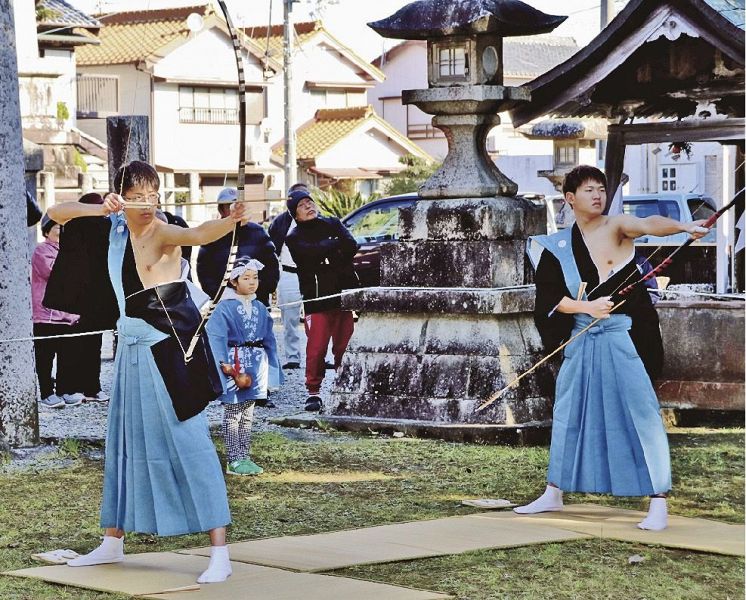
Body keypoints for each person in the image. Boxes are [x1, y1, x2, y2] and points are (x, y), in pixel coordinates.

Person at [48, 160, 246, 584]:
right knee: (122, 443)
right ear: (121, 196)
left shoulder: (162, 230)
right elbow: (57, 212)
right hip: (131, 353)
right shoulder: (114, 227)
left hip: (168, 351)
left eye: (153, 196)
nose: (146, 204)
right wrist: (99, 208)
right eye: (137, 196)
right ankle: (112, 541)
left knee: (189, 442)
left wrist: (229, 221)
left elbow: (197, 234)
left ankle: (220, 551)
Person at [516, 165, 710, 531]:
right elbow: (550, 300)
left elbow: (650, 224)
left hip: (625, 337)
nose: (597, 195)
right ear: (570, 198)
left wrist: (685, 227)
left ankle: (658, 502)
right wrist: (587, 307)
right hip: (581, 336)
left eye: (601, 189)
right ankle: (554, 491)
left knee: (642, 413)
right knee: (569, 411)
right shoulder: (556, 245)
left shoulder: (617, 226)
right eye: (588, 190)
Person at [285, 189, 360, 412]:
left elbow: (351, 245)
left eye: (310, 202)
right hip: (316, 298)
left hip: (341, 294)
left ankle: (344, 385)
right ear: (295, 214)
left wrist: (328, 249)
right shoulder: (294, 237)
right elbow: (308, 256)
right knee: (316, 348)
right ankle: (313, 391)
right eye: (302, 205)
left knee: (343, 345)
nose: (308, 206)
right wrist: (331, 245)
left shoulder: (333, 222)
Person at [207, 257, 282, 476]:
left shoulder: (260, 306)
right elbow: (215, 336)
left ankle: (245, 456)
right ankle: (233, 459)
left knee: (248, 412)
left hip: (257, 361)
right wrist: (224, 364)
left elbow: (269, 338)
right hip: (235, 361)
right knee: (232, 412)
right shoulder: (223, 308)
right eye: (246, 278)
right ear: (233, 281)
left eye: (255, 277)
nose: (252, 282)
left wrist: (273, 364)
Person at [45, 192, 117, 403]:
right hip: (75, 297)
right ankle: (68, 388)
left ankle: (91, 387)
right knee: (72, 346)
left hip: (97, 295)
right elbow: (55, 212)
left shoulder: (106, 228)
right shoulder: (74, 225)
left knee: (92, 345)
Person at [197, 187, 279, 306]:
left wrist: (260, 288)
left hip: (257, 298)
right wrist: (220, 294)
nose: (234, 209)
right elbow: (204, 269)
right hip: (225, 300)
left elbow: (271, 265)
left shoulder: (258, 231)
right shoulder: (213, 233)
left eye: (237, 205)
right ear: (221, 210)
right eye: (228, 206)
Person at [32, 215, 82, 408]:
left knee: (68, 354)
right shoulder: (41, 250)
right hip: (46, 314)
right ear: (46, 232)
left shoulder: (71, 251)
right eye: (57, 229)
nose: (62, 233)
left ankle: (65, 390)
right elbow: (53, 273)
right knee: (45, 356)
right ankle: (46, 392)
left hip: (67, 314)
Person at [268, 183, 307, 370]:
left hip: (311, 273)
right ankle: (293, 356)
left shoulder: (319, 220)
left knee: (315, 319)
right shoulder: (280, 222)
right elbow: (271, 249)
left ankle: (320, 358)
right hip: (288, 273)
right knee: (289, 319)